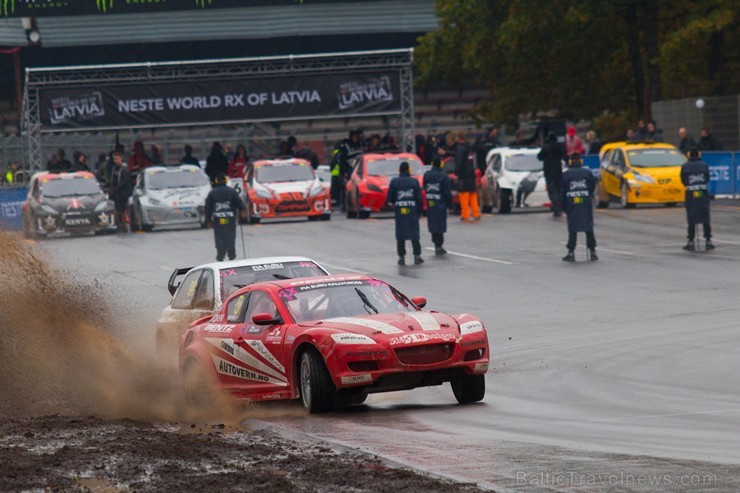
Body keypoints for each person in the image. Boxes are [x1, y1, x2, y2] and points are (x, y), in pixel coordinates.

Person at [560, 153, 597, 262]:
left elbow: (562, 191)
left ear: (570, 161)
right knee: (588, 226)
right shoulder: (587, 172)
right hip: (585, 201)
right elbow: (592, 187)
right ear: (580, 161)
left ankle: (571, 252)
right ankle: (592, 251)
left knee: (573, 227)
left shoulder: (566, 174)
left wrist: (563, 206)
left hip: (573, 202)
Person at [387, 161, 424, 265]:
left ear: (399, 170)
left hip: (400, 211)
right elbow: (419, 198)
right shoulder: (414, 181)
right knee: (414, 233)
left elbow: (390, 198)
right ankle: (417, 256)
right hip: (412, 210)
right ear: (409, 170)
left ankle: (401, 257)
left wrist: (396, 203)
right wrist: (420, 211)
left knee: (401, 233)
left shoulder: (394, 181)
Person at [205, 173, 246, 262]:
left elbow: (207, 208)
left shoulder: (212, 193)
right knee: (230, 235)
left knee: (219, 236)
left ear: (216, 181)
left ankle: (220, 254)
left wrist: (208, 220)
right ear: (226, 181)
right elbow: (240, 204)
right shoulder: (231, 191)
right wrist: (243, 214)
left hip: (218, 219)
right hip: (230, 219)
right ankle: (231, 254)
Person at [680, 148, 713, 251]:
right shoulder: (704, 165)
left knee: (691, 217)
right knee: (705, 217)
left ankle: (691, 241)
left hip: (691, 193)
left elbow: (683, 179)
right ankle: (708, 240)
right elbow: (707, 177)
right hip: (702, 193)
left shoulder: (685, 166)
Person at [424, 156, 453, 255]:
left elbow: (424, 186)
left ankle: (436, 242)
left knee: (432, 221)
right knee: (440, 223)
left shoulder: (427, 175)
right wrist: (451, 205)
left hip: (430, 201)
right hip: (440, 202)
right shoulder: (443, 176)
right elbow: (447, 192)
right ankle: (439, 245)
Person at [454, 131, 480, 222]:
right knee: (472, 193)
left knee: (463, 194)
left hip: (463, 174)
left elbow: (459, 161)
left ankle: (465, 214)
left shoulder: (460, 148)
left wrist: (456, 173)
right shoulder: (470, 147)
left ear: (459, 138)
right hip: (471, 173)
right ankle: (476, 213)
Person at [538, 134, 565, 217]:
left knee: (552, 191)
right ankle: (561, 206)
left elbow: (539, 157)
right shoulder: (559, 146)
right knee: (559, 189)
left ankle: (557, 208)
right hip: (558, 170)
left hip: (549, 171)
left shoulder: (546, 147)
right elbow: (563, 155)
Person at [109, 151, 133, 233]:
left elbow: (124, 181)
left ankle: (123, 223)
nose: (115, 160)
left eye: (117, 159)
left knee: (122, 209)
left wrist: (116, 189)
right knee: (117, 209)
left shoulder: (125, 169)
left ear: (120, 159)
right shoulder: (114, 169)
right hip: (116, 193)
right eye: (114, 159)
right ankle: (119, 223)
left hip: (124, 193)